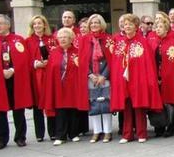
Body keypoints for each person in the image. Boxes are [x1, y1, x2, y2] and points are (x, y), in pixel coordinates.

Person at [0, 14, 33, 150]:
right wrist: (0, 71)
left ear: (8, 25)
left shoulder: (18, 40)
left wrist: (13, 69)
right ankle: (1, 139)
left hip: (15, 79)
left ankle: (20, 137)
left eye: (0, 23)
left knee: (18, 110)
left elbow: (24, 59)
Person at [112, 14, 163, 143]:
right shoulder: (120, 43)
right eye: (125, 24)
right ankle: (127, 134)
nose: (127, 26)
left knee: (139, 107)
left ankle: (141, 133)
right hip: (124, 80)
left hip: (138, 79)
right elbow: (116, 62)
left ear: (136, 27)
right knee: (127, 107)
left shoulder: (142, 42)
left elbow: (148, 62)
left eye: (130, 24)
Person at [77, 14, 113, 143]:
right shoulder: (84, 39)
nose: (94, 25)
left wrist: (104, 75)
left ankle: (108, 131)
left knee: (106, 103)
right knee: (94, 103)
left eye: (96, 23)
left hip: (105, 77)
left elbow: (111, 59)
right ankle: (97, 131)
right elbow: (81, 59)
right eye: (91, 23)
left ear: (101, 24)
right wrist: (90, 74)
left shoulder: (109, 39)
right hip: (91, 77)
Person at [149, 17, 174, 137]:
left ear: (166, 29)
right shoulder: (153, 42)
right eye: (156, 27)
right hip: (156, 75)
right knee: (157, 102)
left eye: (160, 27)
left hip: (169, 77)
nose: (157, 29)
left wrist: (166, 75)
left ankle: (171, 126)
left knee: (170, 102)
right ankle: (159, 126)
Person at [44, 27, 80, 146]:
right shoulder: (54, 52)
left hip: (72, 85)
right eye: (60, 37)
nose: (63, 39)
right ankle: (61, 135)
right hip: (59, 86)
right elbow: (50, 70)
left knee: (73, 109)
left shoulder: (77, 51)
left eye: (65, 37)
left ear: (71, 39)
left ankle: (74, 133)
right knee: (61, 111)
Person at [26, 15, 57, 142]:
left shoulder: (52, 39)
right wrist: (35, 64)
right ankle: (39, 133)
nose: (37, 26)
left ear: (45, 25)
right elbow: (25, 59)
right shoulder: (27, 41)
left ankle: (53, 132)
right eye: (35, 24)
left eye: (40, 23)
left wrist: (49, 61)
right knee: (37, 105)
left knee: (50, 103)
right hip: (36, 76)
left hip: (49, 75)